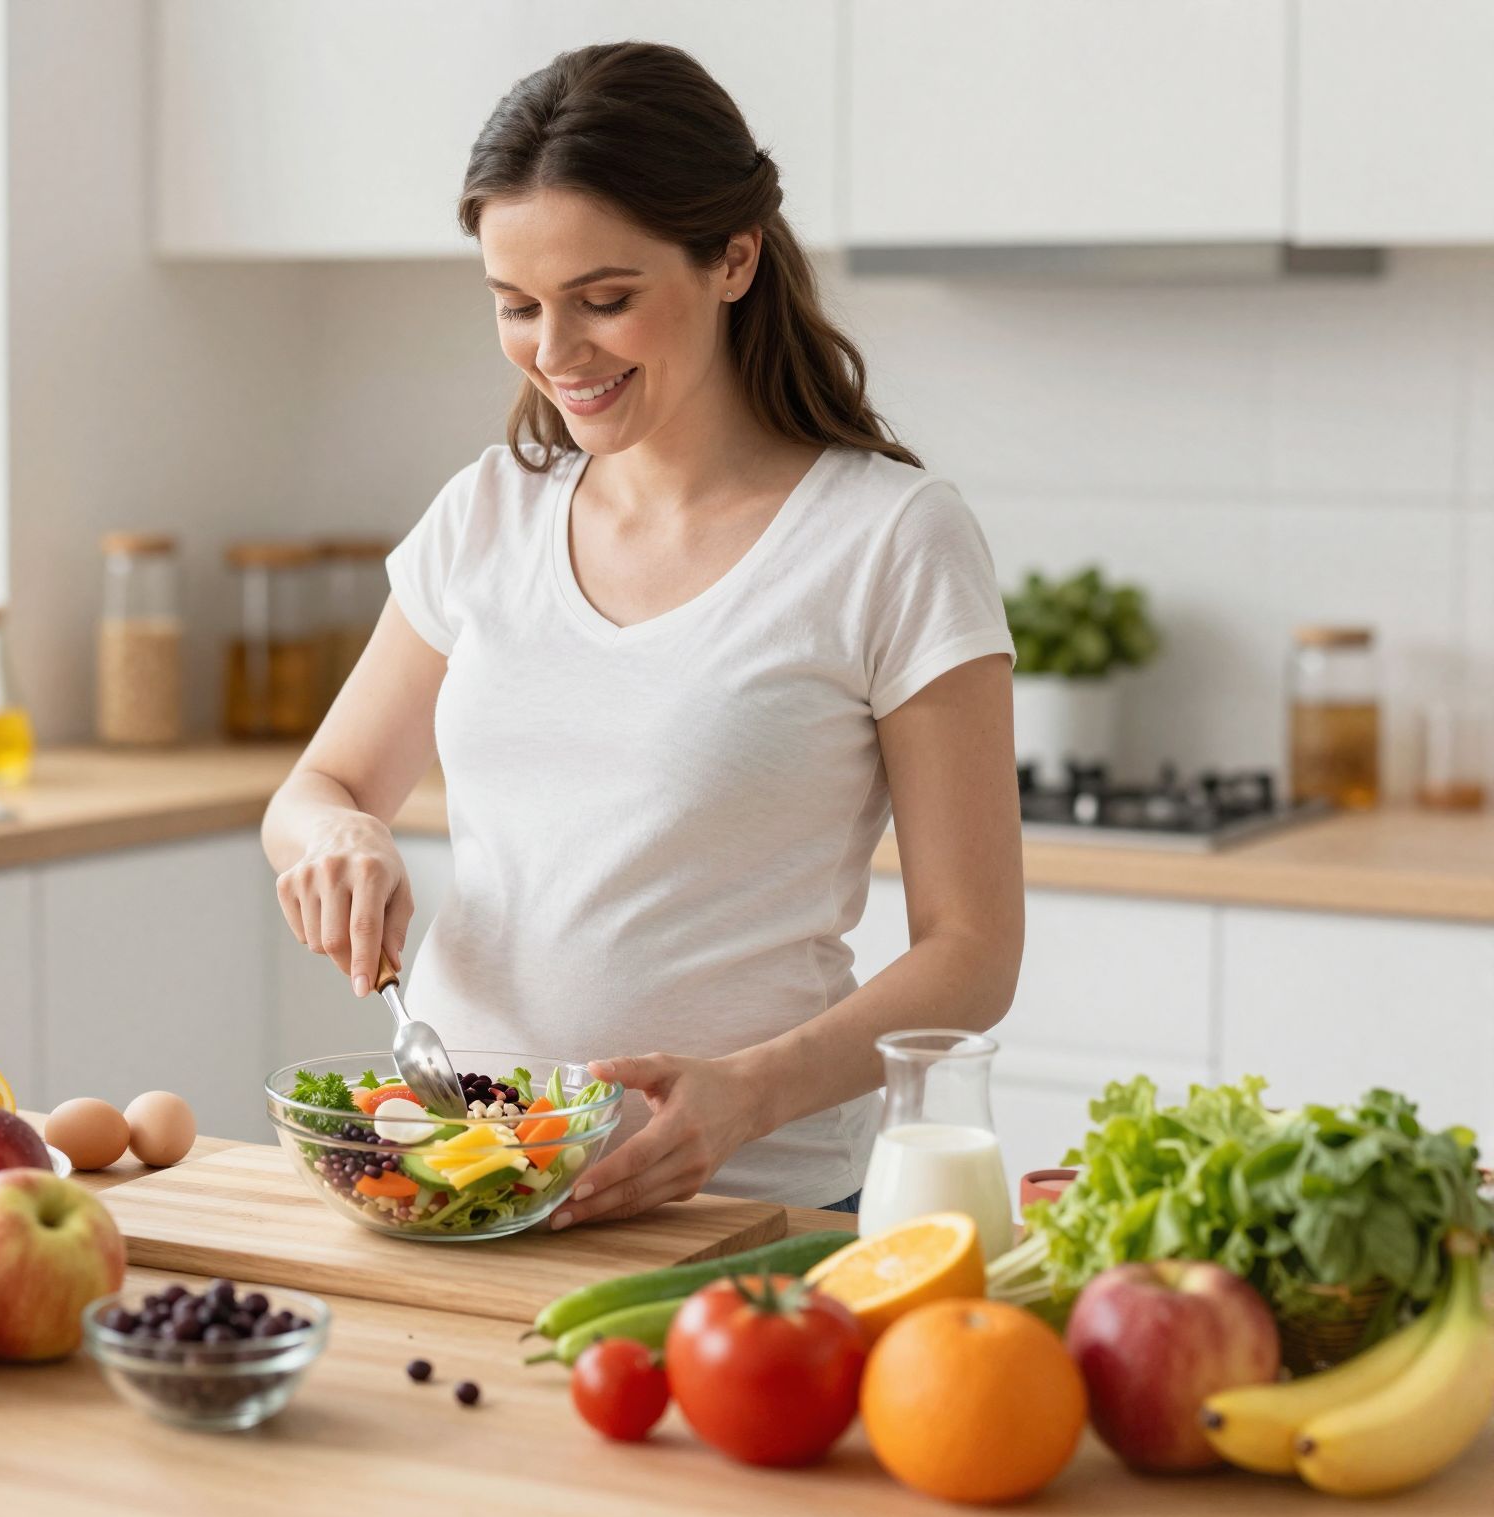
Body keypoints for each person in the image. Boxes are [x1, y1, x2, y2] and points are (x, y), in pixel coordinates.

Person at [259, 41, 1023, 1221]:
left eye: (604, 301)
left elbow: (971, 954)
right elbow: (322, 783)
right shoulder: (487, 513)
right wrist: (333, 842)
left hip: (753, 1207)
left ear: (732, 257)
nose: (555, 355)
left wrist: (745, 1096)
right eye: (515, 306)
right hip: (473, 1180)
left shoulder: (889, 538)